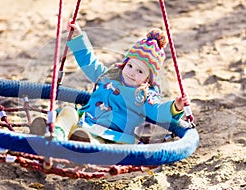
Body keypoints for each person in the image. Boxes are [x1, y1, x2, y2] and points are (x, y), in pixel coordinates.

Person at [49, 21, 189, 144]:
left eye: (140, 71)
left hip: (111, 134)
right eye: (130, 66)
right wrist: (78, 38)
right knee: (68, 112)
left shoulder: (144, 96)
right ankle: (54, 137)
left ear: (148, 79)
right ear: (124, 64)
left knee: (96, 140)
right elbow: (90, 63)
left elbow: (157, 112)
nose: (132, 72)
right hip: (85, 120)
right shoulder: (109, 76)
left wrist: (175, 107)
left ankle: (85, 145)